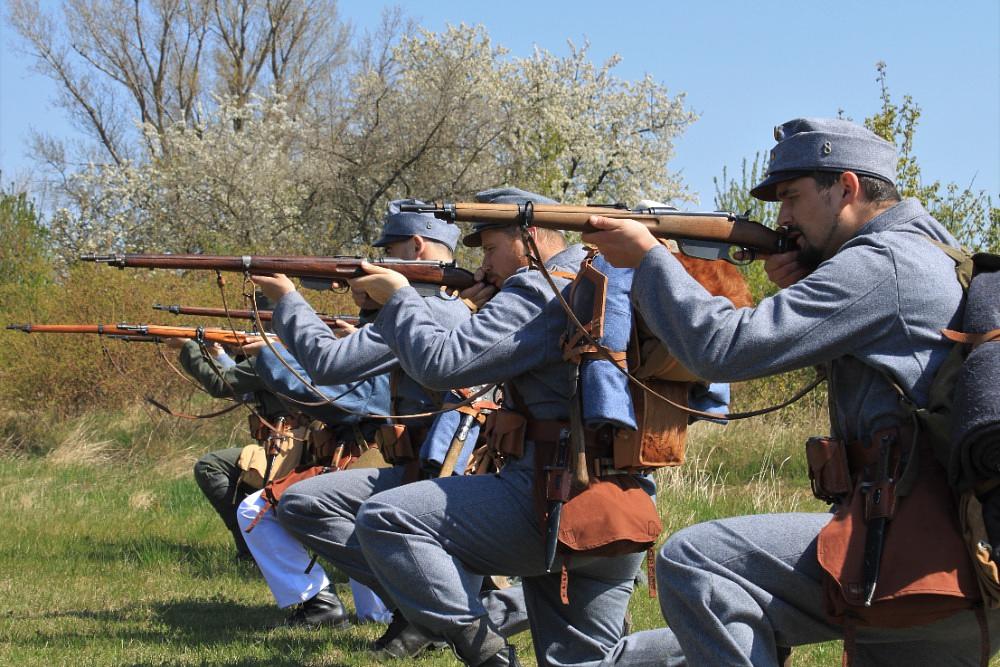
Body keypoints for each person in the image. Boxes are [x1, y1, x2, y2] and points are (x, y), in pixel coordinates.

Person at [582, 118, 1000, 666]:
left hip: (913, 551)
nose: (781, 218)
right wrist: (810, 281)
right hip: (943, 548)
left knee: (697, 562)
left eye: (792, 197)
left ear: (846, 188)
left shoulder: (881, 264)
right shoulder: (928, 249)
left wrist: (649, 260)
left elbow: (722, 348)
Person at [347, 187, 647, 667]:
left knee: (387, 517)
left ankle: (487, 655)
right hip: (622, 503)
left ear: (530, 235)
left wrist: (399, 298)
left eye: (490, 248)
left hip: (549, 499)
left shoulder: (538, 288)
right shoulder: (603, 281)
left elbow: (441, 365)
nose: (485, 263)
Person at [252, 199, 530, 659]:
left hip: (448, 474)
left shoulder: (426, 309)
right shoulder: (439, 305)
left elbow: (327, 365)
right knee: (302, 504)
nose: (380, 259)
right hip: (427, 466)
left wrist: (285, 297)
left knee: (315, 507)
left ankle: (443, 608)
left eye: (389, 250)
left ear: (417, 246)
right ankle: (425, 603)